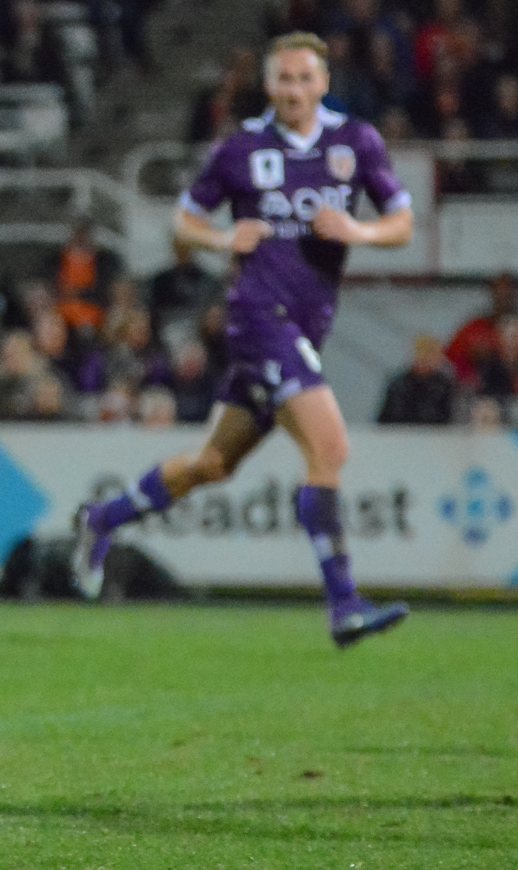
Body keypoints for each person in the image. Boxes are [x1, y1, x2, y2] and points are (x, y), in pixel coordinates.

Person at [72, 33, 413, 648]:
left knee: (213, 464)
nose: (293, 90)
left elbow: (403, 223)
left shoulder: (355, 142)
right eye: (283, 79)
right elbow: (183, 223)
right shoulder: (242, 149)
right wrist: (222, 240)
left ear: (323, 82)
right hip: (259, 315)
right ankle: (345, 606)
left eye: (304, 79)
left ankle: (103, 519)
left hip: (308, 323)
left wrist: (356, 231)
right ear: (269, 85)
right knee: (329, 448)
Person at [377, 334, 455, 425]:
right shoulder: (398, 383)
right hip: (399, 434)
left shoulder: (442, 385)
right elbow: (388, 415)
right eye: (422, 355)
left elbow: (445, 418)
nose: (424, 361)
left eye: (430, 355)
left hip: (430, 435)